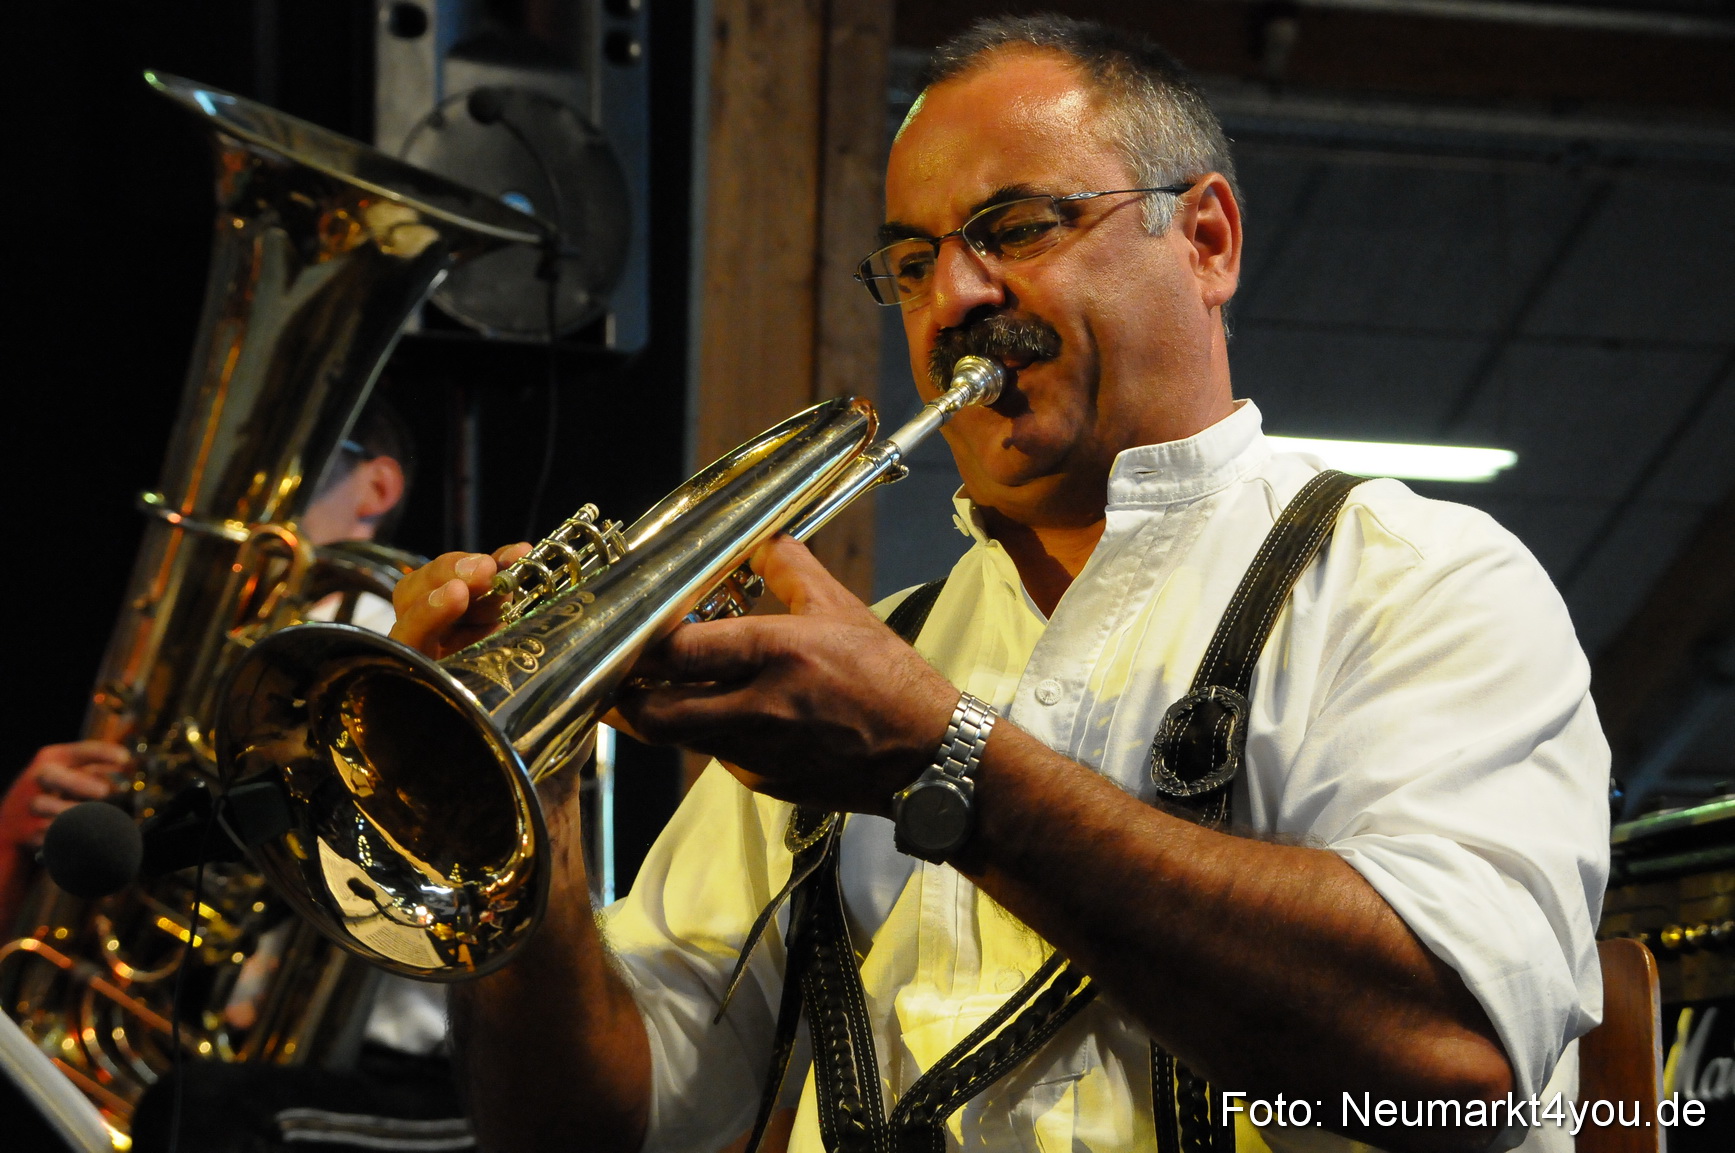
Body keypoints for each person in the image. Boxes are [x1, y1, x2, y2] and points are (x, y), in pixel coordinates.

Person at [391, 16, 1608, 1153]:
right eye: (913, 260)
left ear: (1206, 240)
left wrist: (940, 761)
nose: (955, 299)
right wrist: (522, 811)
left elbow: (1458, 1070)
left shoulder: (1422, 577)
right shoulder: (863, 665)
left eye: (1017, 228)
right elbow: (595, 1128)